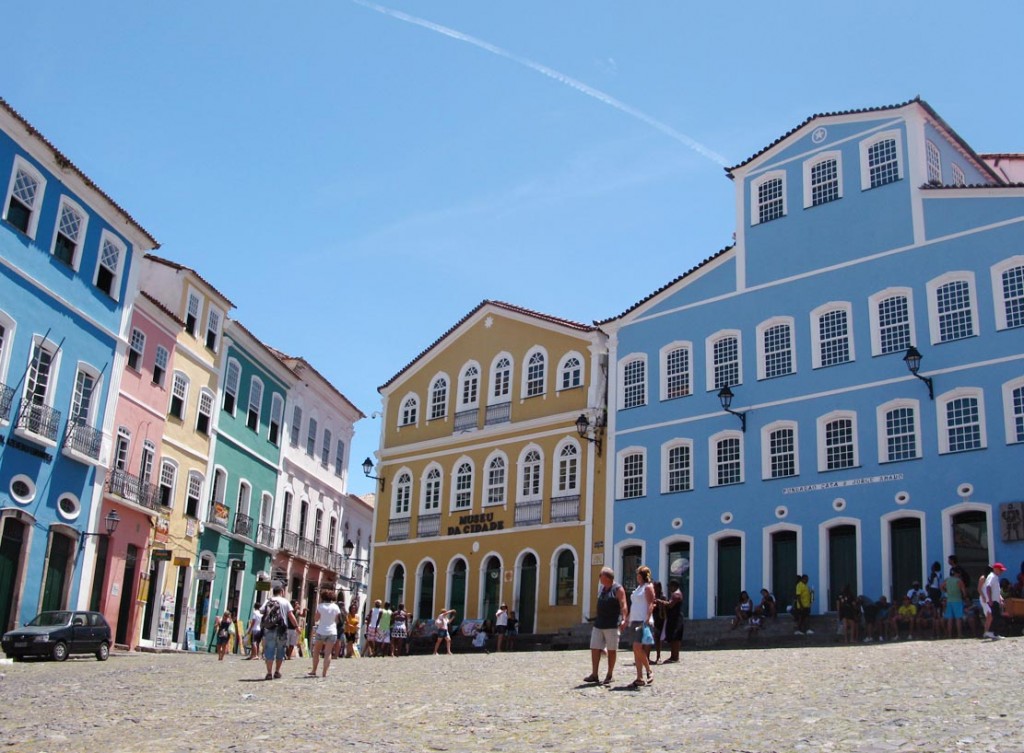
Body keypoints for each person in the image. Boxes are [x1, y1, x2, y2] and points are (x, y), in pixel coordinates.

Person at [584, 566, 628, 685]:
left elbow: (623, 604)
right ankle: (594, 674)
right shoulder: (602, 588)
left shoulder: (618, 589)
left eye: (601, 576)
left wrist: (624, 619)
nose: (599, 578)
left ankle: (609, 674)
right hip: (599, 623)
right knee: (594, 647)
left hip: (612, 624)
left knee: (612, 649)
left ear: (607, 577)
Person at [627, 565, 655, 689]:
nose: (637, 577)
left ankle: (649, 670)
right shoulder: (638, 588)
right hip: (634, 620)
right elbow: (634, 604)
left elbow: (651, 604)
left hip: (642, 621)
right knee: (636, 650)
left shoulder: (648, 588)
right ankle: (639, 678)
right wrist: (627, 618)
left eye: (638, 575)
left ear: (642, 576)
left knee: (637, 647)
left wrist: (648, 618)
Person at [261, 584, 294, 680]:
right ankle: (277, 671)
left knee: (269, 650)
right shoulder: (285, 601)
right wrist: (296, 626)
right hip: (282, 629)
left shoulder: (268, 600)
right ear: (282, 592)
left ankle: (269, 673)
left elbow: (261, 611)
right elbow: (290, 615)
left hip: (269, 629)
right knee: (280, 650)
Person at [308, 588, 342, 678]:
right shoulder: (336, 607)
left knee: (316, 652)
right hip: (332, 632)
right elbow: (338, 620)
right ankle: (324, 673)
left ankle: (314, 670)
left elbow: (316, 619)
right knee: (328, 653)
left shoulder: (320, 606)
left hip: (321, 631)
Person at [981, 562, 1007, 639]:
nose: (1001, 572)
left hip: (995, 600)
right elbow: (988, 587)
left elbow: (995, 590)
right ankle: (992, 633)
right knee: (996, 618)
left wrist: (1000, 598)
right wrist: (990, 599)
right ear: (995, 569)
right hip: (993, 601)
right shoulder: (992, 576)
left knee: (996, 617)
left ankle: (994, 633)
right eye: (1000, 570)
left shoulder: (995, 577)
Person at [662, 580, 684, 663]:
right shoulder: (674, 594)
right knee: (672, 637)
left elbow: (670, 605)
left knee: (675, 638)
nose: (669, 588)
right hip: (673, 618)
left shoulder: (676, 594)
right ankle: (673, 656)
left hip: (676, 619)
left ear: (674, 586)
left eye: (670, 586)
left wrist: (662, 602)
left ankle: (675, 656)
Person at [943, 565, 967, 639]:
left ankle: (949, 635)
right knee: (958, 618)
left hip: (949, 600)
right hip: (957, 600)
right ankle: (959, 634)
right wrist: (965, 597)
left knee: (949, 619)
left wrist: (946, 591)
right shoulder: (959, 581)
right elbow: (964, 591)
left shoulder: (947, 580)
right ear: (957, 573)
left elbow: (941, 586)